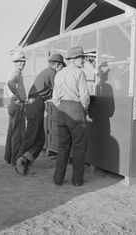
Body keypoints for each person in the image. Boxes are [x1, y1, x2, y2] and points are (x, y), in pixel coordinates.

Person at [15, 54, 66, 175]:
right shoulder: (53, 73)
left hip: (35, 103)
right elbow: (56, 92)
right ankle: (18, 161)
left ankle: (25, 159)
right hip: (36, 103)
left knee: (40, 138)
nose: (61, 69)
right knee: (32, 135)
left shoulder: (47, 71)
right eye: (61, 66)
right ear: (58, 65)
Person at [52, 46, 90, 186]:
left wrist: (63, 107)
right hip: (75, 110)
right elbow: (85, 97)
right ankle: (77, 180)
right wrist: (82, 109)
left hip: (62, 111)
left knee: (63, 147)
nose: (84, 60)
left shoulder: (59, 74)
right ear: (74, 59)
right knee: (79, 147)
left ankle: (58, 179)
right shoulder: (79, 73)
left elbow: (55, 98)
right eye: (82, 57)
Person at [4, 49, 27, 165]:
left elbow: (7, 85)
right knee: (18, 134)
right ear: (15, 62)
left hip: (13, 104)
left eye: (23, 61)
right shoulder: (16, 73)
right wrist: (17, 95)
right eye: (20, 61)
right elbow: (10, 83)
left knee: (12, 131)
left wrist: (13, 95)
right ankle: (16, 159)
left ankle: (9, 157)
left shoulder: (14, 72)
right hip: (18, 105)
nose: (22, 63)